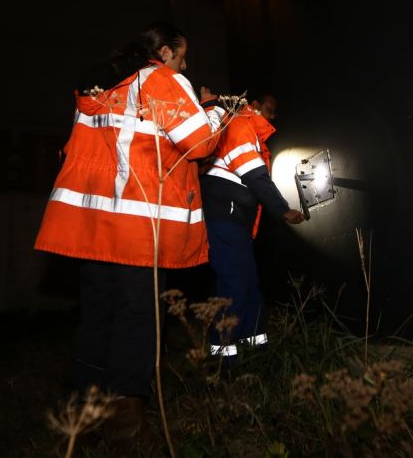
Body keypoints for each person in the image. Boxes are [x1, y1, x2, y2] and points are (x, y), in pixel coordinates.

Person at [34, 22, 222, 439]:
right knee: (137, 315)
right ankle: (125, 416)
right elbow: (199, 143)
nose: (185, 65)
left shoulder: (101, 86)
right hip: (139, 223)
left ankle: (84, 408)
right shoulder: (159, 79)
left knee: (98, 313)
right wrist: (212, 109)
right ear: (165, 53)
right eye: (182, 56)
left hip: (95, 225)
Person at [199, 89, 306, 363]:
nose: (273, 115)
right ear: (254, 104)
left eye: (276, 112)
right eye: (270, 108)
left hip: (237, 222)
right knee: (234, 286)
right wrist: (283, 211)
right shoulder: (240, 125)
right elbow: (256, 177)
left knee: (249, 285)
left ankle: (255, 352)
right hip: (225, 218)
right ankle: (222, 362)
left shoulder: (253, 135)